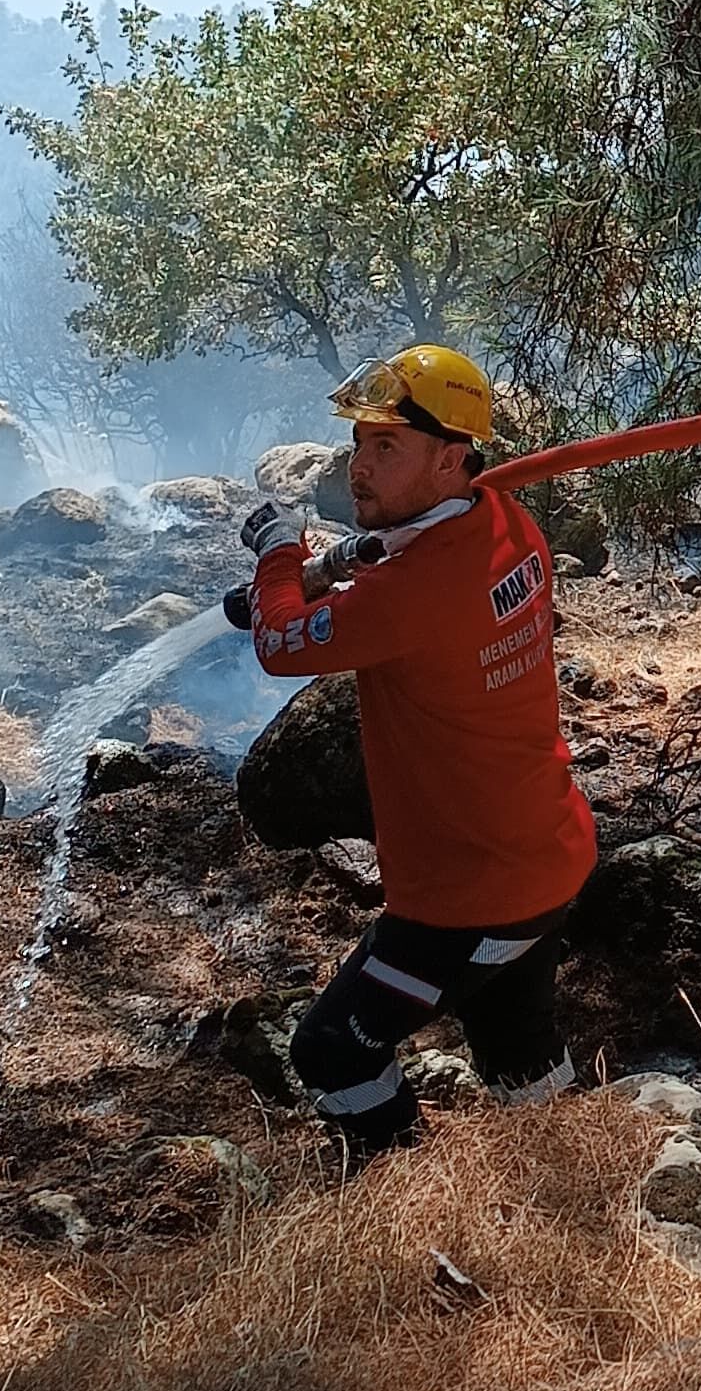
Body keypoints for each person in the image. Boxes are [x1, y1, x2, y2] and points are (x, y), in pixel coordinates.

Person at [241, 343, 598, 1166]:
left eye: (386, 448)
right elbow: (393, 560)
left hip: (468, 897)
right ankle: (573, 1176)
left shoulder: (414, 595)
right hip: (543, 852)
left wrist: (277, 559)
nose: (359, 467)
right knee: (518, 1052)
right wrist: (328, 568)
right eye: (360, 443)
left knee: (331, 1050)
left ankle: (402, 1187)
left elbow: (281, 643)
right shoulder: (504, 519)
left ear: (450, 458)